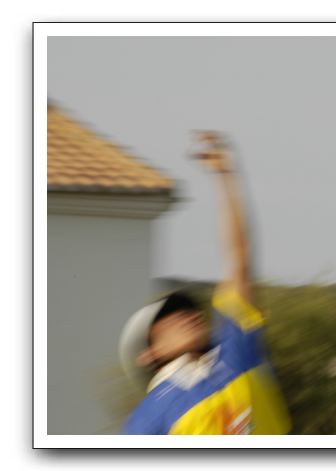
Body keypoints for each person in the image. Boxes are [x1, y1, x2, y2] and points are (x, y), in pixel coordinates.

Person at [118, 132, 291, 435]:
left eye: (189, 310)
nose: (188, 316)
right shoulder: (146, 418)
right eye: (169, 317)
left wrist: (226, 176)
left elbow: (239, 258)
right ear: (149, 354)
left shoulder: (237, 353)